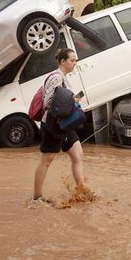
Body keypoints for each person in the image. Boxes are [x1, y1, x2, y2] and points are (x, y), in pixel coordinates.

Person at [32, 48, 87, 204]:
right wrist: (73, 101)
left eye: (75, 60)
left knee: (78, 155)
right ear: (63, 61)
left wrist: (73, 100)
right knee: (47, 160)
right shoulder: (56, 78)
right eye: (72, 60)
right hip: (52, 125)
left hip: (64, 124)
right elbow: (48, 103)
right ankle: (37, 197)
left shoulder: (64, 78)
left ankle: (81, 191)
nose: (75, 63)